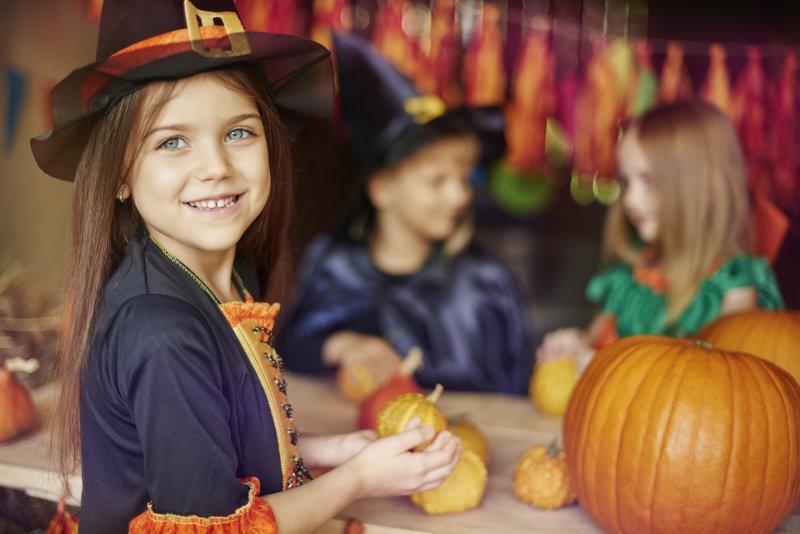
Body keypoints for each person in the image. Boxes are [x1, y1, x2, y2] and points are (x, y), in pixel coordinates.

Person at [31, 1, 461, 531]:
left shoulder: (231, 280)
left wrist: (331, 450)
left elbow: (218, 443)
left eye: (238, 132)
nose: (215, 167)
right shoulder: (161, 331)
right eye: (172, 141)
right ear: (119, 176)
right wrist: (360, 480)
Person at [278, 33, 532, 395]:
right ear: (382, 189)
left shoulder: (488, 284)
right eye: (436, 180)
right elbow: (284, 354)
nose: (460, 195)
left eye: (465, 177)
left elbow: (517, 395)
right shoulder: (332, 264)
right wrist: (337, 345)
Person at [536, 100, 785, 370]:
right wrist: (573, 347)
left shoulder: (734, 289)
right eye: (627, 181)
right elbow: (591, 348)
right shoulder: (630, 279)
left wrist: (605, 368)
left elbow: (720, 391)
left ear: (700, 186)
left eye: (649, 181)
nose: (630, 199)